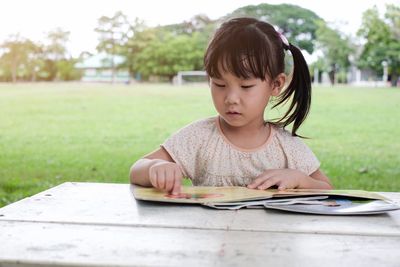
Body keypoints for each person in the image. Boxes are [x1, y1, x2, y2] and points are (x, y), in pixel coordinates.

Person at [130, 17, 333, 195]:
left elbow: (327, 189)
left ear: (276, 84)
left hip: (271, 239)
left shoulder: (287, 147)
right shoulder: (198, 137)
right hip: (211, 237)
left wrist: (299, 179)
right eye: (219, 84)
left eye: (246, 86)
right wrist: (155, 168)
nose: (231, 98)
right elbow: (137, 169)